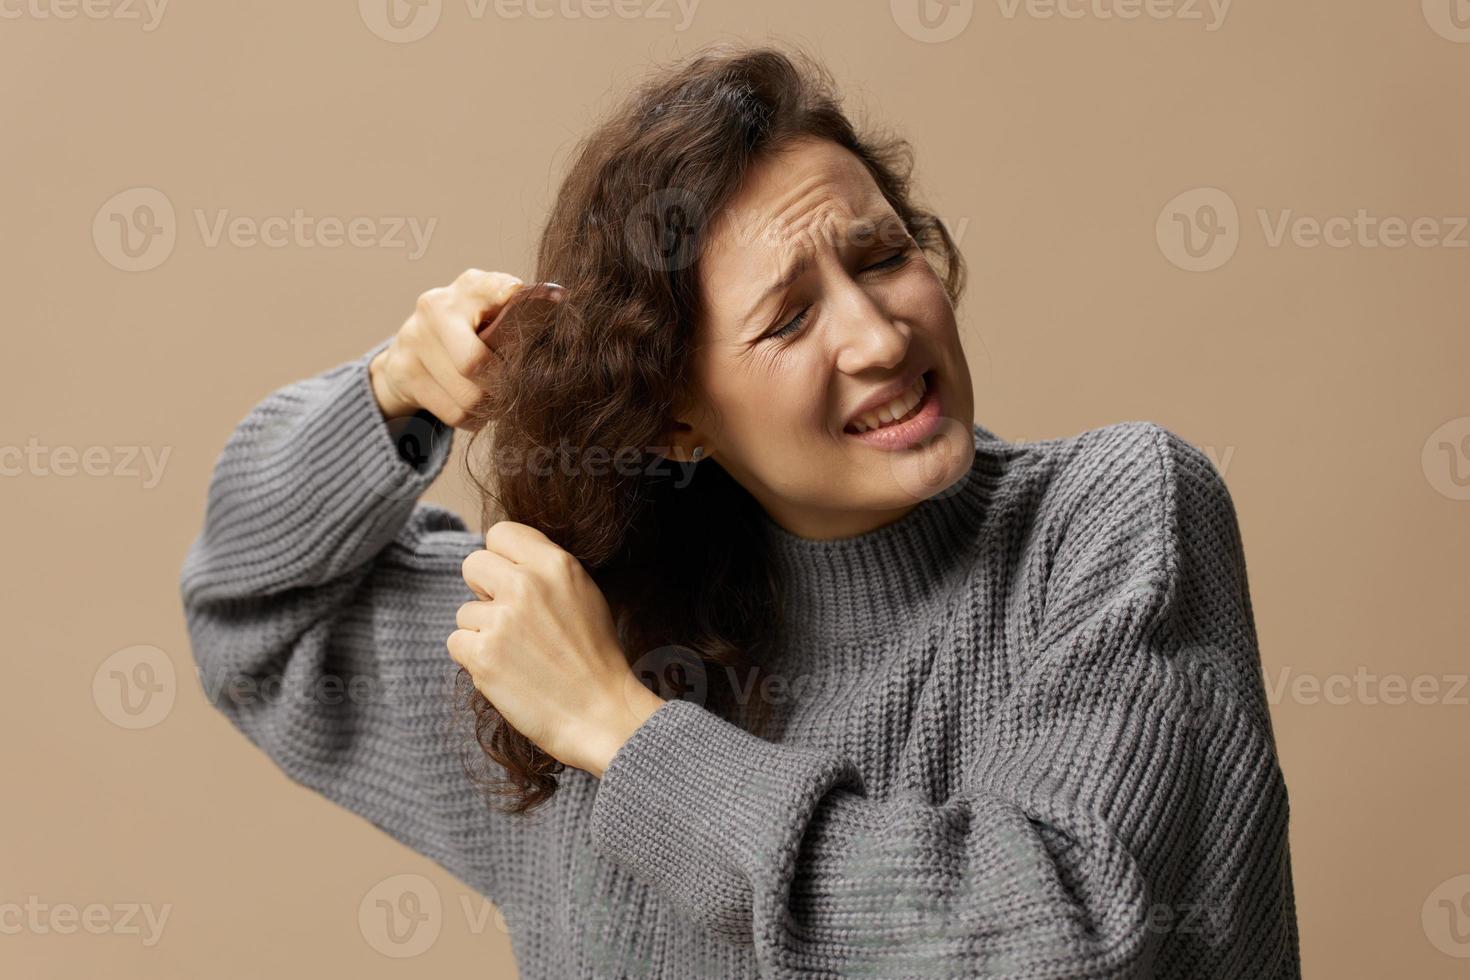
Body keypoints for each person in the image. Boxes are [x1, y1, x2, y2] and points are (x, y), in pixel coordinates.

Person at [180, 42, 1300, 979]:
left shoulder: (1111, 517)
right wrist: (387, 391)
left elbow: (1065, 934)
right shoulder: (585, 638)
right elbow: (249, 607)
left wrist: (628, 738)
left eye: (883, 257)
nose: (878, 337)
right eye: (789, 319)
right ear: (677, 419)